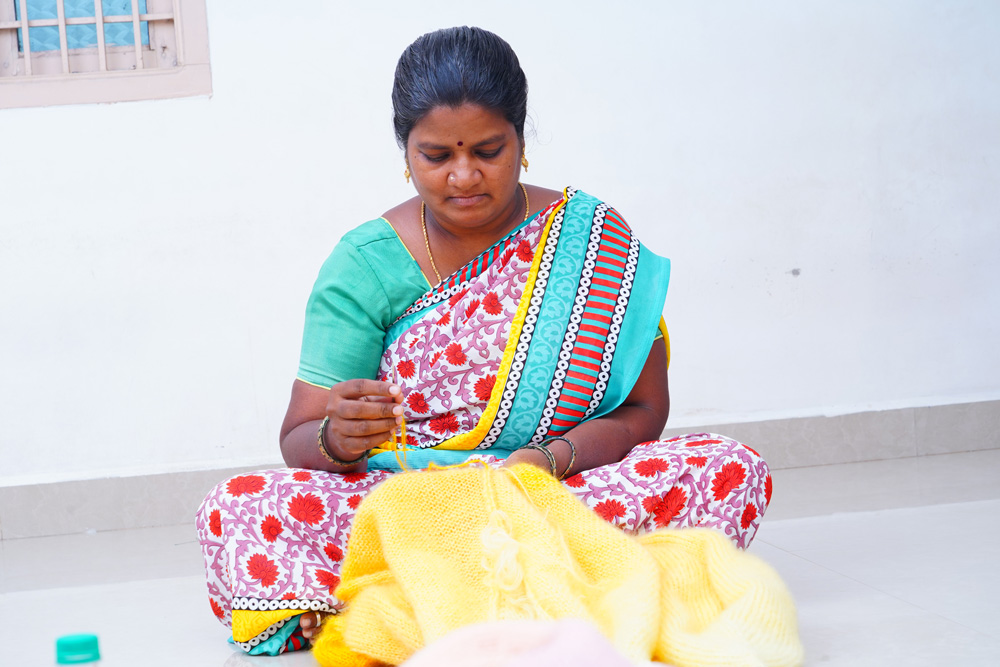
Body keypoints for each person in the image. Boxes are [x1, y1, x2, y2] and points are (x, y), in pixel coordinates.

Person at [197, 26, 771, 657]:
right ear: (406, 151)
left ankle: (401, 598)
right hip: (409, 500)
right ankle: (554, 587)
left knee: (727, 467)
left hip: (559, 489)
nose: (463, 176)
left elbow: (644, 412)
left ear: (522, 141)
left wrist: (543, 464)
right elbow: (297, 440)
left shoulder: (591, 238)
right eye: (436, 156)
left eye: (489, 150)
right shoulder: (364, 262)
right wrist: (337, 437)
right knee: (240, 505)